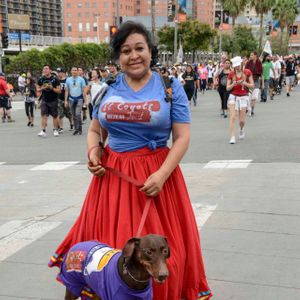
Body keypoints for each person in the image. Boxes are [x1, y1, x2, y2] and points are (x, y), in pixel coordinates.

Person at [49, 21, 212, 300]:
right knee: (109, 249)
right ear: (118, 57)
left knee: (165, 255)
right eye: (125, 50)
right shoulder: (106, 88)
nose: (133, 55)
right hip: (112, 182)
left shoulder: (170, 87)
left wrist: (161, 175)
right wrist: (93, 153)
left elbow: (182, 138)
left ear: (151, 51)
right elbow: (94, 130)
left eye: (139, 48)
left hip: (156, 179)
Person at [226, 56, 254, 144]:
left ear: (241, 64)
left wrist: (244, 82)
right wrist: (233, 84)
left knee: (242, 120)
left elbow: (252, 85)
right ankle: (232, 136)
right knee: (233, 117)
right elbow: (227, 88)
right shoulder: (231, 74)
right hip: (233, 96)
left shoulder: (247, 72)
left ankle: (241, 129)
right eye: (235, 66)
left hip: (244, 96)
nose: (237, 67)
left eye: (238, 65)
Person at [36, 65, 61, 137]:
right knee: (43, 115)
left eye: (47, 69)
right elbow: (37, 89)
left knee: (54, 116)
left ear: (50, 70)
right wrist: (42, 88)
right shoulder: (41, 79)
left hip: (53, 100)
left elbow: (59, 91)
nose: (45, 70)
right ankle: (43, 131)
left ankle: (55, 130)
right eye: (44, 69)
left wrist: (51, 88)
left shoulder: (55, 79)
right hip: (44, 99)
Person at [65, 66, 88, 135]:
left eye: (76, 70)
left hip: (79, 98)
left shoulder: (81, 79)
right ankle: (76, 129)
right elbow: (66, 90)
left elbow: (84, 90)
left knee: (78, 113)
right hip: (71, 99)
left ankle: (79, 127)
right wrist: (65, 100)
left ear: (78, 71)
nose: (74, 71)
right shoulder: (68, 80)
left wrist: (85, 100)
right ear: (71, 71)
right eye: (73, 70)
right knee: (73, 114)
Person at [245, 51, 263, 116]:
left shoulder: (259, 62)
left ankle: (252, 109)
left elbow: (261, 73)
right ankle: (247, 108)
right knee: (248, 96)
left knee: (254, 97)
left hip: (256, 81)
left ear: (255, 56)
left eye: (252, 55)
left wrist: (262, 84)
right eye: (250, 55)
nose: (250, 56)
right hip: (249, 81)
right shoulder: (248, 63)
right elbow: (245, 71)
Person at [57, 68, 73, 133]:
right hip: (59, 99)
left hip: (67, 99)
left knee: (68, 113)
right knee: (60, 114)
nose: (58, 74)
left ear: (63, 73)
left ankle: (71, 124)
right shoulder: (57, 80)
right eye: (58, 72)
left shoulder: (67, 80)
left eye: (60, 72)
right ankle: (61, 127)